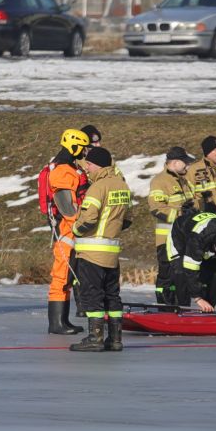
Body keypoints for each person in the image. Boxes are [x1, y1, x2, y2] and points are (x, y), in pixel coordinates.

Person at [69, 147, 132, 352]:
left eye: (89, 164)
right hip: (111, 253)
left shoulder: (98, 187)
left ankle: (95, 338)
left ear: (97, 165)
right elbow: (127, 220)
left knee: (92, 294)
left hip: (91, 252)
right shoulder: (122, 185)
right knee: (112, 295)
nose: (87, 168)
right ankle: (115, 339)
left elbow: (89, 217)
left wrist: (76, 230)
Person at [40, 128, 90, 334]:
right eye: (83, 147)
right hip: (67, 229)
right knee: (61, 274)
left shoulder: (69, 167)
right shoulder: (63, 170)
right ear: (74, 145)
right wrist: (79, 224)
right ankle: (56, 323)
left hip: (70, 228)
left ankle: (63, 320)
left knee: (68, 276)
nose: (85, 152)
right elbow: (67, 206)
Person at [167, 210, 216, 313]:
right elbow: (190, 270)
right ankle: (182, 309)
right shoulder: (198, 238)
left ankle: (208, 310)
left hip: (208, 240)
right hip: (180, 236)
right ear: (214, 246)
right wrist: (198, 298)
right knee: (181, 270)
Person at [147, 146, 194, 304]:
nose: (187, 166)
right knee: (167, 276)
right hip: (166, 240)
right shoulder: (160, 181)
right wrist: (181, 214)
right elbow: (156, 208)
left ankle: (183, 307)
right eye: (185, 163)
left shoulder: (184, 181)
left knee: (183, 275)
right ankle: (165, 308)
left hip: (183, 240)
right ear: (174, 163)